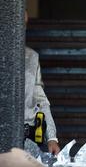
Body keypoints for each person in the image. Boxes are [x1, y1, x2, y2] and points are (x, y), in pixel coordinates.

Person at [24, 12, 60, 155]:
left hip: (27, 139)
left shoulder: (32, 57)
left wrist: (52, 137)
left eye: (25, 24)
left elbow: (41, 101)